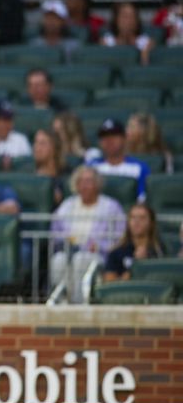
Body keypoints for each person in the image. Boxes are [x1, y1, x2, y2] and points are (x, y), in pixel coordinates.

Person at [50, 166, 126, 303]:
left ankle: (78, 303)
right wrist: (65, 242)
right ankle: (61, 302)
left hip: (99, 254)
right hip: (69, 250)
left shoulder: (111, 207)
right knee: (58, 261)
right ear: (76, 185)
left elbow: (120, 236)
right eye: (81, 181)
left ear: (97, 184)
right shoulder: (67, 205)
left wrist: (101, 246)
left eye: (89, 181)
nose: (85, 185)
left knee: (81, 259)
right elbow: (55, 232)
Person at [87, 118, 150, 202]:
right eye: (104, 136)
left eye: (114, 135)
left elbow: (142, 198)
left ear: (124, 138)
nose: (109, 140)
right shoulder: (91, 167)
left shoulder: (139, 168)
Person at [104, 204, 166, 282]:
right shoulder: (116, 252)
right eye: (133, 217)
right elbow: (109, 285)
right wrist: (136, 265)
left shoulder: (159, 250)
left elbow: (164, 279)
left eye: (142, 218)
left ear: (151, 223)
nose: (137, 221)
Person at [100, 2, 154, 66]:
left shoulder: (146, 42)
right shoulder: (106, 41)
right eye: (124, 16)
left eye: (132, 16)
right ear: (116, 19)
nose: (128, 21)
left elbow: (145, 70)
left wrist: (145, 54)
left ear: (137, 20)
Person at [32, 128, 65, 206]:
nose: (37, 148)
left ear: (54, 148)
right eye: (35, 142)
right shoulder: (27, 173)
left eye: (42, 143)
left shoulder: (66, 174)